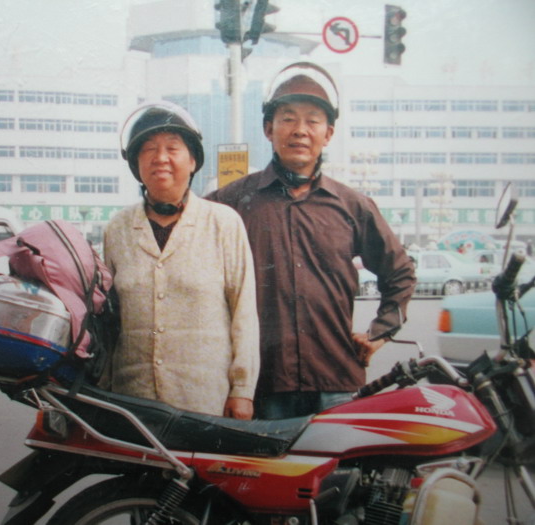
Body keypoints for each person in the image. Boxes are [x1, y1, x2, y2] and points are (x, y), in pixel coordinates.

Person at [207, 62, 416, 419]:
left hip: (336, 381)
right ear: (268, 129)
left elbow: (400, 273)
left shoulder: (353, 206)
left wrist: (380, 332)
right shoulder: (231, 202)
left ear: (328, 133)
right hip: (261, 386)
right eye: (288, 119)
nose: (300, 131)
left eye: (313, 121)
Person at [102, 101, 260, 419]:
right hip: (132, 400)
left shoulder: (223, 223)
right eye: (148, 149)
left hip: (205, 401)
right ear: (135, 164)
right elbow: (107, 320)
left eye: (172, 148)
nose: (160, 158)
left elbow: (244, 313)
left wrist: (242, 390)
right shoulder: (117, 229)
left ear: (192, 160)